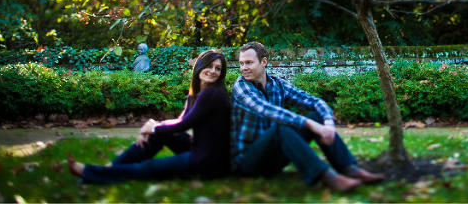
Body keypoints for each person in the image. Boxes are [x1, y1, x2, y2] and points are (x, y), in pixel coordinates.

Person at [231, 41, 383, 193]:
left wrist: (328, 123)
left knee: (317, 116)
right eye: (241, 63)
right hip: (247, 162)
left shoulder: (277, 85)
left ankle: (349, 168)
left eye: (249, 63)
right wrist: (309, 124)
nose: (244, 68)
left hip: (273, 158)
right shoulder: (241, 86)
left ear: (264, 62)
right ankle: (327, 177)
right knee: (281, 128)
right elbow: (267, 110)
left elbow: (314, 101)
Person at [68, 49, 230, 185]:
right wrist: (154, 126)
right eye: (209, 66)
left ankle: (90, 172)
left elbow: (184, 125)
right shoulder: (197, 92)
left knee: (150, 167)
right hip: (199, 148)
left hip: (210, 160)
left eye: (218, 68)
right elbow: (180, 120)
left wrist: (152, 127)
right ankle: (108, 170)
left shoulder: (213, 93)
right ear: (199, 66)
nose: (213, 71)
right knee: (156, 136)